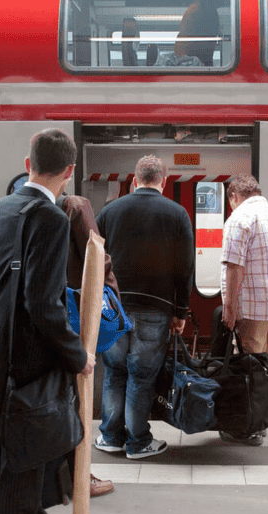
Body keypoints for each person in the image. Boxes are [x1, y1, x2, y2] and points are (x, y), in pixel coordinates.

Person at [0, 128, 95, 514]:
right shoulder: (51, 218)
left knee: (25, 454)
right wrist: (78, 356)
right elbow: (43, 304)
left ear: (28, 164)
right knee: (19, 468)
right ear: (69, 171)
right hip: (22, 364)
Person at [95, 155, 193, 460]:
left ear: (135, 180)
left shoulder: (109, 211)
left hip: (113, 306)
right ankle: (138, 442)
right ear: (164, 181)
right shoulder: (177, 214)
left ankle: (110, 437)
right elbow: (185, 267)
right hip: (155, 307)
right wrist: (180, 311)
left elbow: (94, 257)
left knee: (114, 371)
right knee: (142, 375)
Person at [218, 174, 268, 446]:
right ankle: (260, 419)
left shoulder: (239, 219)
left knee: (249, 368)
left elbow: (234, 266)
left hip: (253, 309)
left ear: (234, 197)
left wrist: (229, 307)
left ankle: (248, 427)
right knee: (267, 367)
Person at [57, 193, 116, 498]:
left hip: (43, 324)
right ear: (68, 172)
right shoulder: (77, 207)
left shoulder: (16, 207)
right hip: (72, 320)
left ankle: (61, 475)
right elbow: (98, 259)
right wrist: (112, 301)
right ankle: (79, 477)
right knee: (76, 400)